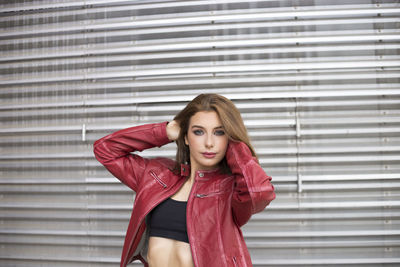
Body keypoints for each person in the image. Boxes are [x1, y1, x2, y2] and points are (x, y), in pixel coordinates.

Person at [93, 93, 276, 267]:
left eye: (219, 133)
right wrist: (164, 131)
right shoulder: (157, 175)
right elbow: (105, 150)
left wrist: (233, 143)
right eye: (199, 132)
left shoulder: (231, 189)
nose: (209, 143)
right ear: (186, 137)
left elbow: (258, 192)